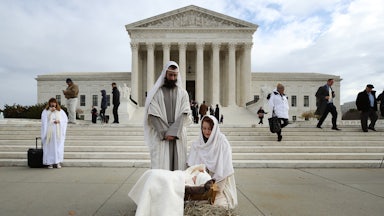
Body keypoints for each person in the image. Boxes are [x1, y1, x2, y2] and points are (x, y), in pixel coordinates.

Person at [144, 61, 193, 171]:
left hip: (178, 136)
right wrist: (165, 133)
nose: (172, 78)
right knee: (161, 168)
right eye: (170, 75)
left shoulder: (183, 93)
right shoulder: (157, 93)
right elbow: (152, 113)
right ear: (165, 74)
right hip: (162, 136)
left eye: (175, 75)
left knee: (178, 167)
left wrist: (173, 132)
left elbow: (185, 113)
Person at [187, 115, 238, 209]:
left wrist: (212, 186)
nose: (206, 132)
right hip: (200, 182)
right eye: (204, 128)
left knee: (218, 204)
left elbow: (224, 170)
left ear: (214, 129)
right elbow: (193, 168)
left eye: (210, 129)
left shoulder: (222, 143)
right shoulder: (197, 144)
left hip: (218, 183)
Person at [41, 98, 68, 168]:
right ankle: (50, 162)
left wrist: (59, 121)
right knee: (50, 148)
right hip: (49, 132)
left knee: (58, 147)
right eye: (51, 103)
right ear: (49, 103)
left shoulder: (60, 111)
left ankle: (57, 162)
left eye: (54, 103)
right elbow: (44, 121)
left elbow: (65, 120)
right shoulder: (45, 111)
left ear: (56, 103)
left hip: (57, 132)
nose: (53, 104)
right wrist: (50, 113)